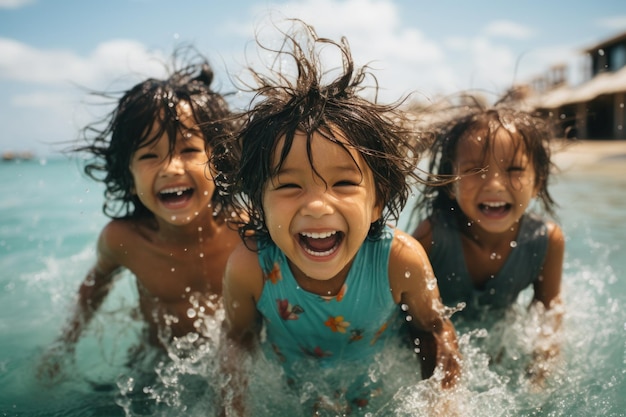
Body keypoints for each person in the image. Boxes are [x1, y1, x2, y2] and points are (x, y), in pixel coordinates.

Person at [215, 20, 461, 416]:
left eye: (344, 184)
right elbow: (237, 339)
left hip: (379, 397)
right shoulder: (250, 268)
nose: (317, 206)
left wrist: (442, 404)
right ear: (258, 205)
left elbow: (433, 330)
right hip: (290, 397)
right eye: (290, 186)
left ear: (378, 200)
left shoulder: (399, 260)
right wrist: (233, 407)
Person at [38, 48, 242, 380]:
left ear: (217, 162)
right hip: (156, 367)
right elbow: (94, 288)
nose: (171, 168)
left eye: (189, 150)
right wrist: (63, 347)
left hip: (230, 368)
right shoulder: (124, 240)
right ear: (129, 178)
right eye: (150, 155)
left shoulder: (244, 233)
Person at [410, 98, 565, 385]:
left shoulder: (546, 240)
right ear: (451, 183)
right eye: (473, 170)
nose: (494, 184)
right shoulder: (432, 238)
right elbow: (413, 320)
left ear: (538, 182)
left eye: (514, 170)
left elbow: (548, 312)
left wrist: (540, 374)